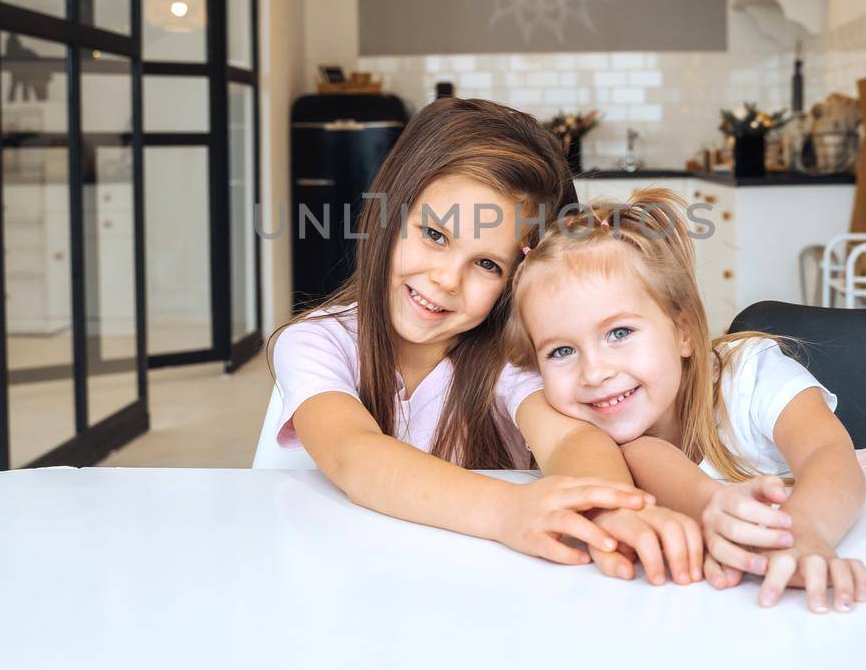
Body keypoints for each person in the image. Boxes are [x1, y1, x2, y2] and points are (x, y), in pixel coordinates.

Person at [268, 100, 704, 584]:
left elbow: (573, 440)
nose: (447, 279)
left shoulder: (507, 359)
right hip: (339, 578)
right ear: (389, 214)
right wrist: (507, 512)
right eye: (434, 234)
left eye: (488, 265)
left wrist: (605, 513)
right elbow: (354, 453)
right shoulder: (315, 341)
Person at [507, 188, 866, 612]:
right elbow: (655, 460)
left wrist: (802, 534)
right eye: (561, 351)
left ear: (682, 330)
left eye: (619, 333)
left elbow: (828, 453)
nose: (594, 373)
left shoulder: (748, 374)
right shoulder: (578, 427)